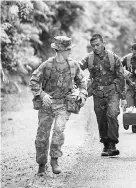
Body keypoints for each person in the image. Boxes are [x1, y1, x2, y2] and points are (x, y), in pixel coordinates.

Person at [29, 36, 87, 175]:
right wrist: (42, 95)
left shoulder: (73, 65)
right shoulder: (47, 65)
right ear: (59, 50)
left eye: (69, 49)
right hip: (46, 105)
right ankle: (42, 164)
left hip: (63, 104)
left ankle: (55, 160)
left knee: (58, 131)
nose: (70, 52)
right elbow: (33, 81)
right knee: (42, 136)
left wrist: (82, 94)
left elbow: (82, 82)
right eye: (67, 50)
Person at [79, 34, 127, 157]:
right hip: (98, 93)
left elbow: (121, 77)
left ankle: (112, 144)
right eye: (93, 45)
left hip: (112, 92)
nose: (95, 47)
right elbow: (77, 69)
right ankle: (105, 144)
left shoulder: (113, 57)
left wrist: (123, 98)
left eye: (98, 44)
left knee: (112, 115)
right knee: (101, 119)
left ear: (103, 43)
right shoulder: (89, 58)